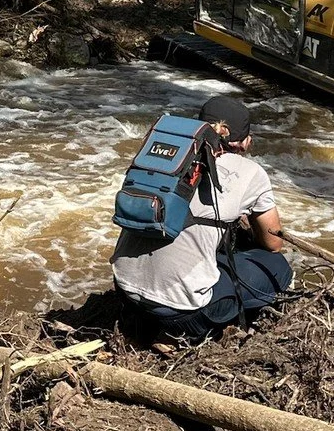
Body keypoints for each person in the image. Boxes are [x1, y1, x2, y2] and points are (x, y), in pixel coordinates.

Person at [111, 94, 291, 340]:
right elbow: (273, 242)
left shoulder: (165, 155)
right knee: (278, 267)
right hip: (181, 316)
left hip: (124, 291)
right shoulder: (252, 172)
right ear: (247, 142)